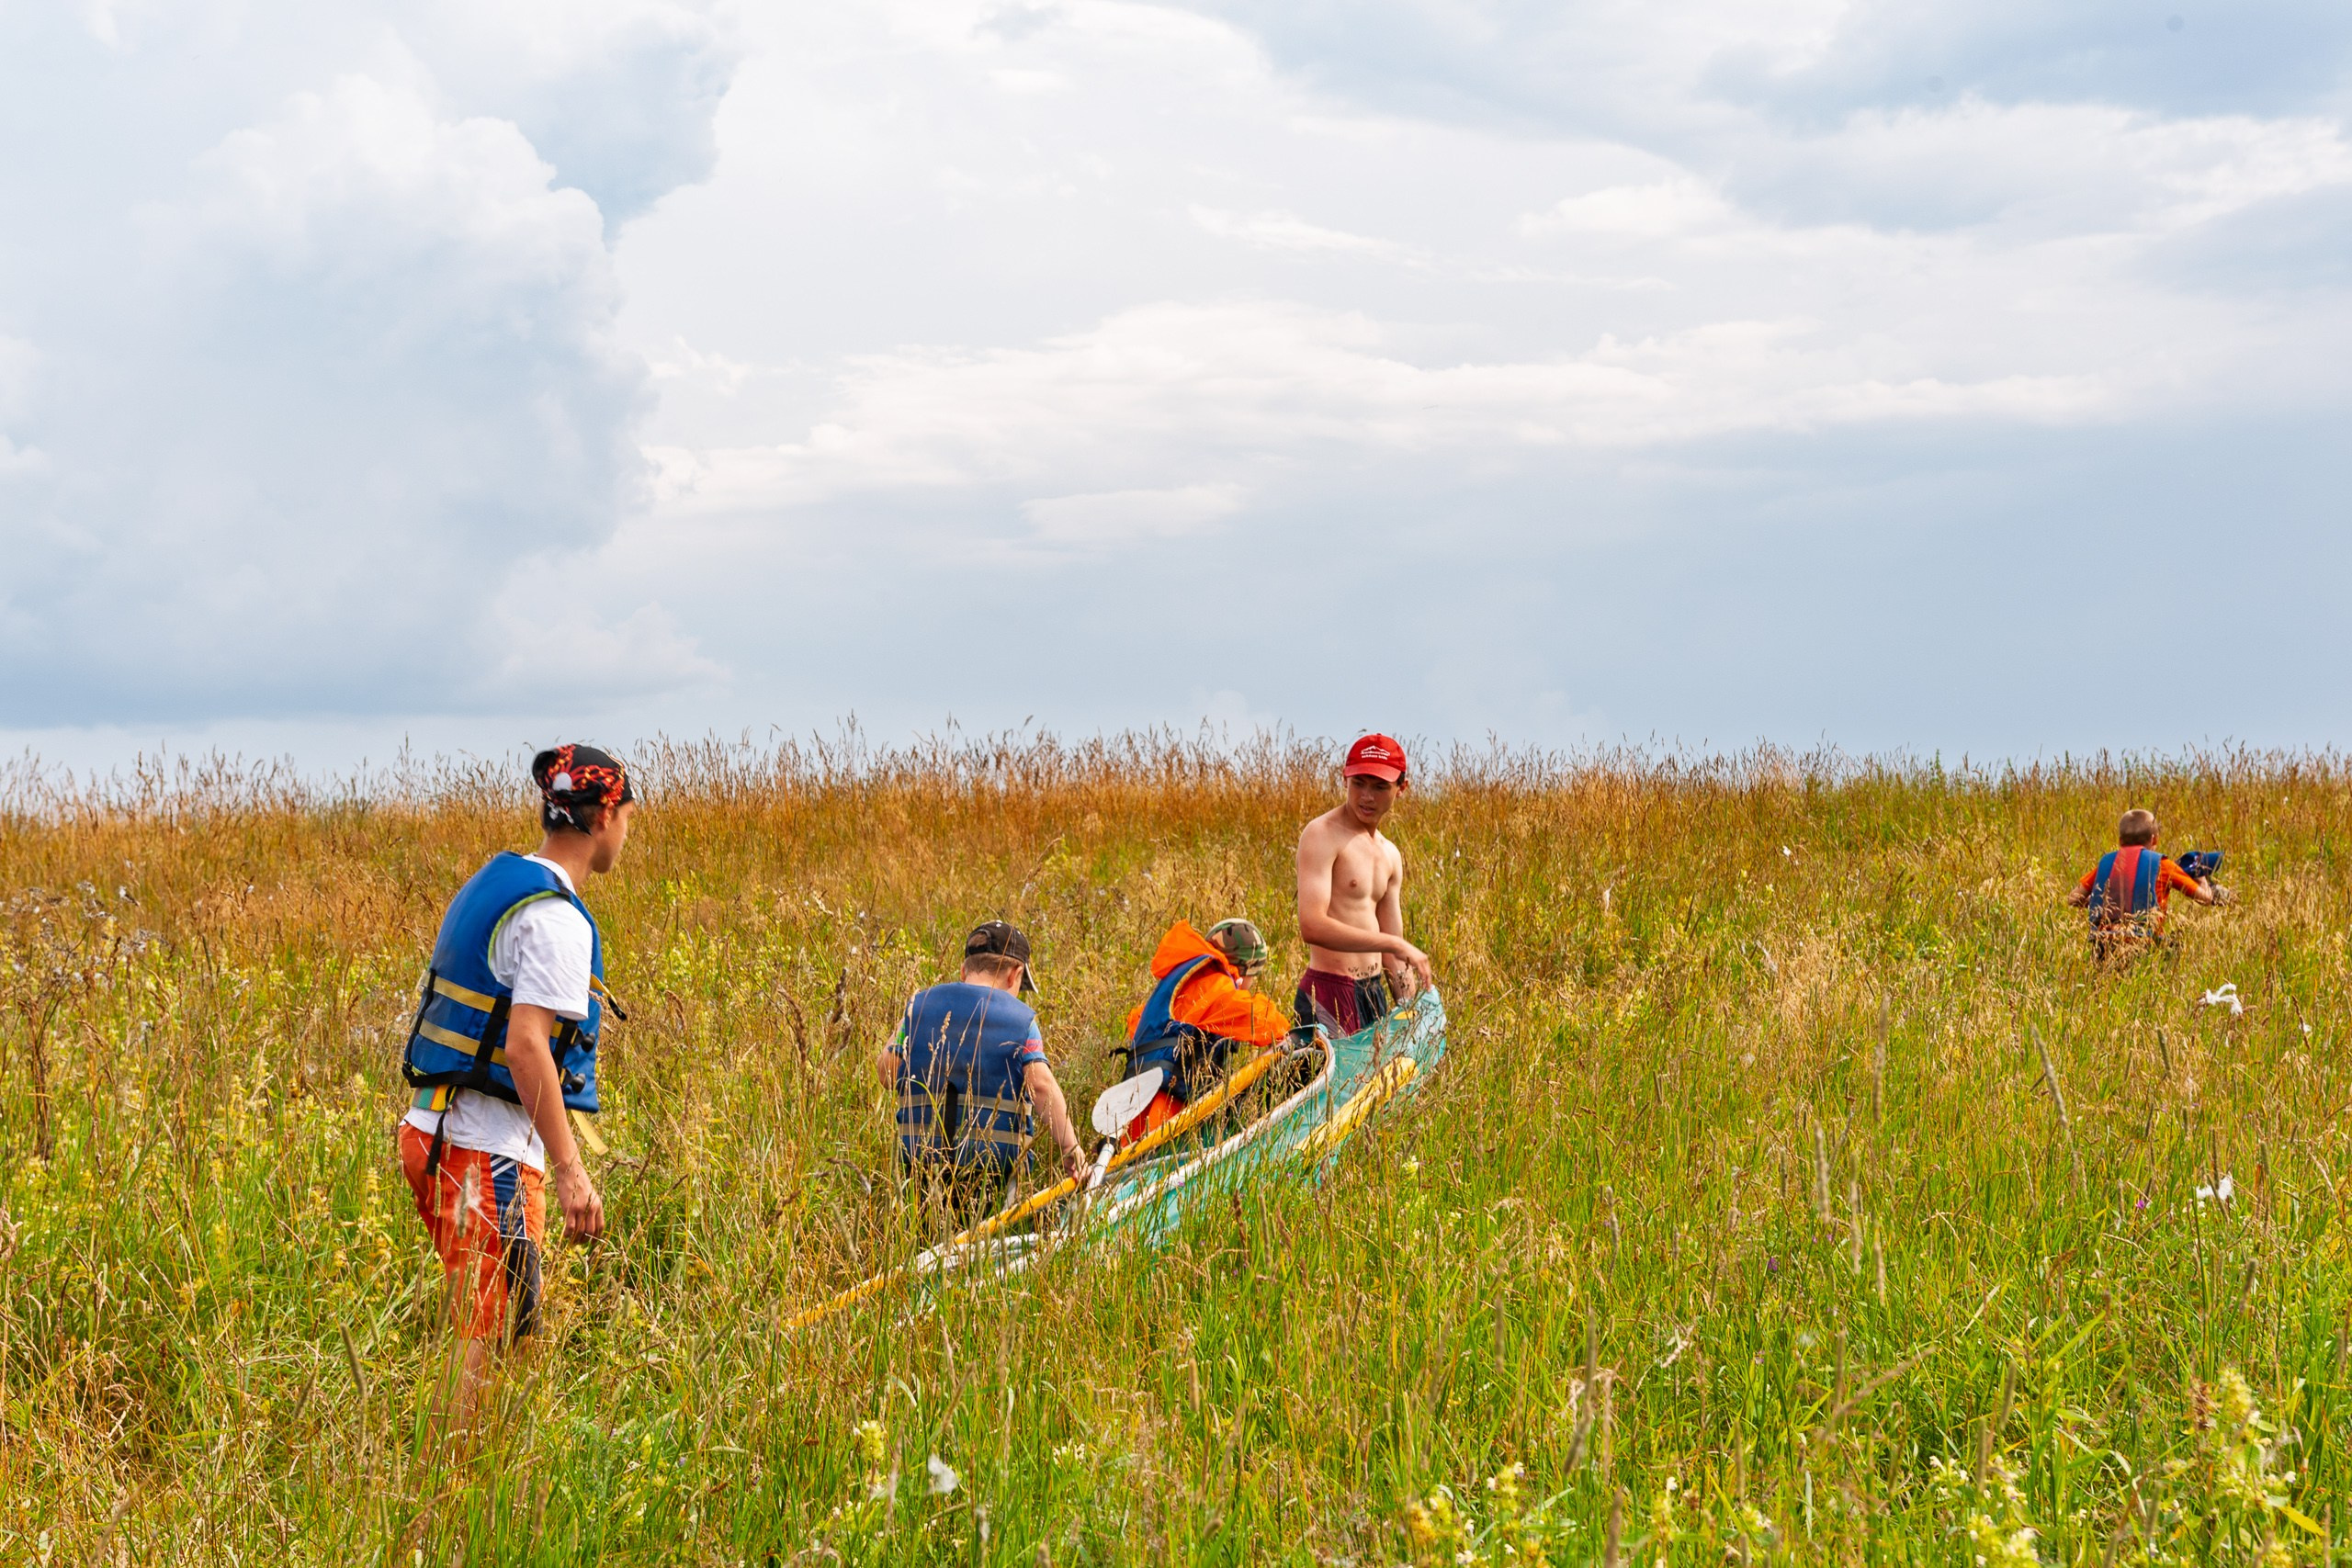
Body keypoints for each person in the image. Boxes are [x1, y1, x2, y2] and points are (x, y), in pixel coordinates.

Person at [398, 743, 633, 1439]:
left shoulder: (499, 879)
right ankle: (445, 1492)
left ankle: (494, 1475)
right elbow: (525, 1045)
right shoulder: (556, 916)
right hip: (485, 1149)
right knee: (487, 1333)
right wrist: (571, 1171)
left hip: (438, 1127)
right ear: (607, 816)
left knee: (509, 1327)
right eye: (626, 817)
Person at [876, 920, 1088, 1224]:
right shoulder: (1022, 1021)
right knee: (984, 1253)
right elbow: (1039, 1085)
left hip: (920, 1168)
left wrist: (909, 1031)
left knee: (924, 1243)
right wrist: (1071, 1148)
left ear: (964, 971)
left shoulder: (917, 1008)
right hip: (989, 1175)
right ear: (1015, 975)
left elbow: (887, 1072)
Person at [1293, 732, 1433, 1037]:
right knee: (1326, 1086)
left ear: (1401, 788)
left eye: (1380, 786)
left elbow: (1395, 958)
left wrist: (1410, 1014)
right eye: (1358, 783)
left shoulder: (1390, 855)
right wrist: (1393, 944)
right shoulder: (1321, 834)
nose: (1367, 797)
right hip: (1327, 994)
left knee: (1382, 1086)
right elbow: (1312, 925)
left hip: (1373, 996)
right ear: (1345, 779)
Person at [1117, 918, 1295, 1145]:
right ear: (1245, 969)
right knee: (1153, 1167)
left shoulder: (1180, 980)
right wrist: (1292, 1033)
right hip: (1168, 1111)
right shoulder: (1218, 986)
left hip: (1130, 1106)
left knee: (1126, 1164)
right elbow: (1264, 1023)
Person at [2065, 807, 2225, 956]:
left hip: (2103, 944)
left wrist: (2099, 901)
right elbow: (2205, 899)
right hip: (2144, 946)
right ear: (2154, 839)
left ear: (2121, 841)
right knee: (2177, 949)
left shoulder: (2106, 862)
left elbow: (2073, 899)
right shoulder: (2163, 865)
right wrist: (2201, 877)